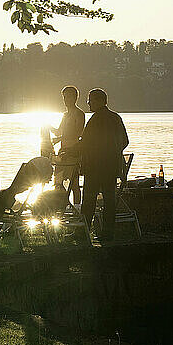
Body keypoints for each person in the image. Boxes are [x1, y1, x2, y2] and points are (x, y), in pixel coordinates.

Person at [79, 88, 129, 241]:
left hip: (94, 167)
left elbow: (84, 143)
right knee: (109, 200)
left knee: (88, 199)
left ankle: (83, 231)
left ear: (99, 101)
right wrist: (113, 153)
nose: (88, 103)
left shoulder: (95, 120)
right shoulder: (116, 118)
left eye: (90, 100)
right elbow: (125, 141)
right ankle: (108, 232)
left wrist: (68, 150)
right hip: (112, 168)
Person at [50, 86, 85, 209]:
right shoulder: (65, 115)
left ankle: (77, 208)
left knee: (74, 184)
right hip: (62, 152)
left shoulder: (79, 113)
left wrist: (61, 137)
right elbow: (59, 132)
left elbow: (79, 133)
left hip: (73, 152)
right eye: (64, 97)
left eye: (69, 97)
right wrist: (47, 126)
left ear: (75, 98)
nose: (66, 99)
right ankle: (61, 207)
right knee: (58, 183)